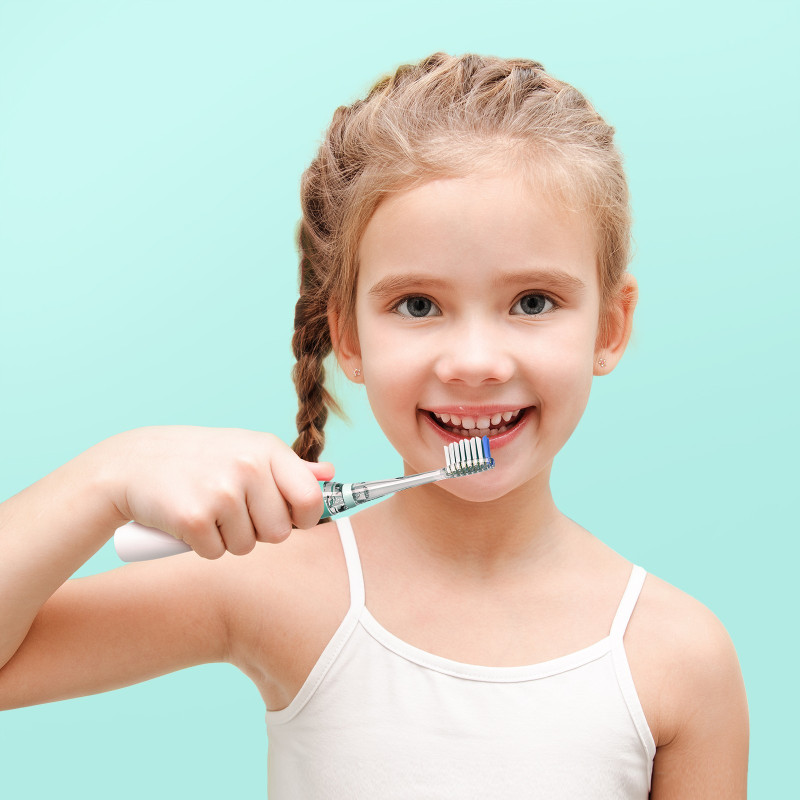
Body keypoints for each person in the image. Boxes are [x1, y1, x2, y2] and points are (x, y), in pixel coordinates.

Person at [0, 53, 748, 797]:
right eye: (418, 305)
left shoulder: (679, 658)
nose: (476, 362)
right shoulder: (275, 589)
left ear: (611, 328)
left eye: (532, 302)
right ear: (349, 338)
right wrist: (106, 478)